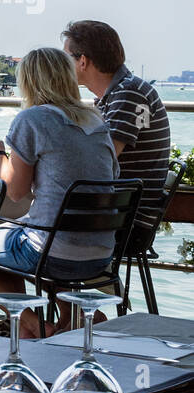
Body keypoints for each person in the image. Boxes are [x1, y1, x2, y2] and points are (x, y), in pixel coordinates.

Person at [0, 47, 119, 337]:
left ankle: (32, 324)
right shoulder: (97, 122)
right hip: (101, 255)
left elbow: (15, 191)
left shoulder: (32, 120)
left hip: (53, 254)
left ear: (28, 82)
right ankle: (72, 313)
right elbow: (110, 177)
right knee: (29, 239)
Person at [62, 20, 171, 243]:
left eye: (64, 59)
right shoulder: (118, 93)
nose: (60, 66)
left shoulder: (129, 94)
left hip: (124, 223)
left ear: (83, 61)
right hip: (117, 215)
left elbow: (100, 160)